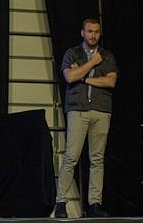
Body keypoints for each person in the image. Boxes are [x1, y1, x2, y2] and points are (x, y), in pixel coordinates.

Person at [53, 18, 119, 218]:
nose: (93, 35)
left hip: (101, 111)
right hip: (78, 110)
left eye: (96, 32)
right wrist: (91, 63)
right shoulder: (72, 53)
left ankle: (94, 204)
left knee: (97, 159)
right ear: (82, 32)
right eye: (90, 31)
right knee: (71, 156)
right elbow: (69, 77)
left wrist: (83, 76)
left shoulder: (107, 56)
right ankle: (61, 203)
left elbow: (111, 81)